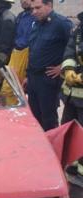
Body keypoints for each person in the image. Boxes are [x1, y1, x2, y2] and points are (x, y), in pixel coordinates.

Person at [26, 0, 72, 131]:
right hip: (33, 79)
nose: (34, 12)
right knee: (35, 118)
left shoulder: (62, 24)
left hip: (48, 79)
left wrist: (62, 67)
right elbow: (33, 51)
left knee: (48, 119)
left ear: (49, 5)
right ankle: (39, 147)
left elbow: (73, 49)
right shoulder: (36, 24)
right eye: (32, 9)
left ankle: (51, 148)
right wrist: (28, 75)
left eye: (37, 8)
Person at [0, 0, 35, 105]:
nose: (23, 1)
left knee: (11, 90)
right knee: (9, 89)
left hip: (27, 53)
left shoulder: (37, 18)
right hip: (16, 53)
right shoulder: (21, 16)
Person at [60, 12, 83, 126]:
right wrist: (68, 69)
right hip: (72, 98)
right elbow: (70, 50)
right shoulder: (80, 27)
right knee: (67, 131)